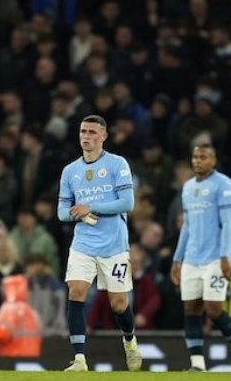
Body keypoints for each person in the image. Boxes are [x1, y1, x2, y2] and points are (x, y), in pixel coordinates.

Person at [57, 115, 142, 372]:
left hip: (114, 244)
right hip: (83, 243)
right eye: (83, 131)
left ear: (104, 136)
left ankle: (130, 341)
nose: (86, 136)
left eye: (93, 132)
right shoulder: (70, 171)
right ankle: (80, 359)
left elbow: (127, 204)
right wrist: (79, 213)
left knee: (119, 304)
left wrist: (90, 206)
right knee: (76, 291)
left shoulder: (117, 164)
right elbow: (62, 212)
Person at [171, 144, 231, 372]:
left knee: (213, 309)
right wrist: (177, 259)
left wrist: (226, 256)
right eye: (195, 157)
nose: (197, 161)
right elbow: (186, 225)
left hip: (216, 257)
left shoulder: (223, 184)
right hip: (192, 258)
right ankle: (197, 365)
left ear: (213, 160)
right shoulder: (187, 188)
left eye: (203, 157)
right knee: (191, 308)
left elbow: (228, 224)